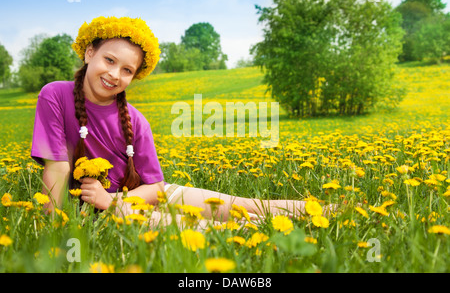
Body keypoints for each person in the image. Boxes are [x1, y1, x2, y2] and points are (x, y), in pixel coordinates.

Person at [31, 16, 330, 226]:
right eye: (109, 60)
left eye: (127, 70)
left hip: (129, 201)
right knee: (203, 228)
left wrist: (116, 202)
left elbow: (156, 187)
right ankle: (260, 231)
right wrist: (52, 222)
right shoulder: (55, 96)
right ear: (89, 52)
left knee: (236, 205)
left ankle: (321, 211)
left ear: (134, 76)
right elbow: (58, 167)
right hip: (104, 213)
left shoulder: (136, 121)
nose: (114, 75)